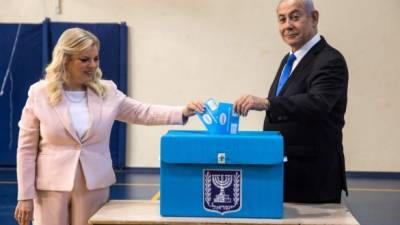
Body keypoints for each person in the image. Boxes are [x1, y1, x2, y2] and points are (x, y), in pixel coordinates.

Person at [13, 27, 204, 225]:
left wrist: (182, 111)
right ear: (65, 59)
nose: (92, 65)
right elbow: (26, 149)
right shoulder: (38, 93)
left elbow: (143, 112)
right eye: (84, 59)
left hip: (94, 185)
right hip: (49, 188)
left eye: (96, 59)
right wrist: (25, 195)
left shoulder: (108, 91)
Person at [234, 0, 348, 203]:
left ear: (314, 18)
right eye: (282, 19)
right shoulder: (288, 60)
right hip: (284, 171)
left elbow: (318, 103)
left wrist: (267, 103)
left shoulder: (330, 60)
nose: (288, 25)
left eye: (295, 17)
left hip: (312, 178)